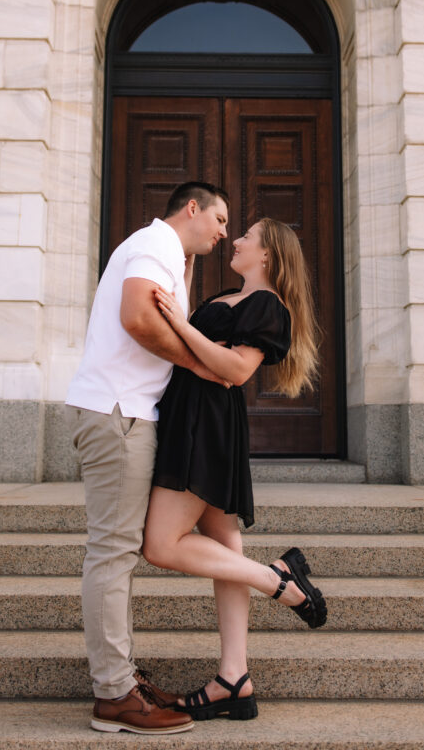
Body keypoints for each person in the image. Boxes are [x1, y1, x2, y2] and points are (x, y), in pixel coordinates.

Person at [142, 218, 324, 722]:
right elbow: (207, 356)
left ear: (267, 255)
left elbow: (238, 370)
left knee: (160, 545)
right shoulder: (227, 295)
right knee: (224, 551)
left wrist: (179, 324)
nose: (237, 240)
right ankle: (234, 678)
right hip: (189, 418)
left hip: (207, 428)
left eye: (247, 236)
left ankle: (277, 581)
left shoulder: (269, 306)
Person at [65, 181, 230, 735]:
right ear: (191, 209)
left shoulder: (167, 254)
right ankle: (113, 694)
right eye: (220, 218)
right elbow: (138, 318)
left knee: (118, 552)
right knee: (112, 551)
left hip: (125, 412)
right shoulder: (154, 244)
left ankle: (122, 679)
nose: (224, 232)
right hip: (117, 413)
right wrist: (199, 365)